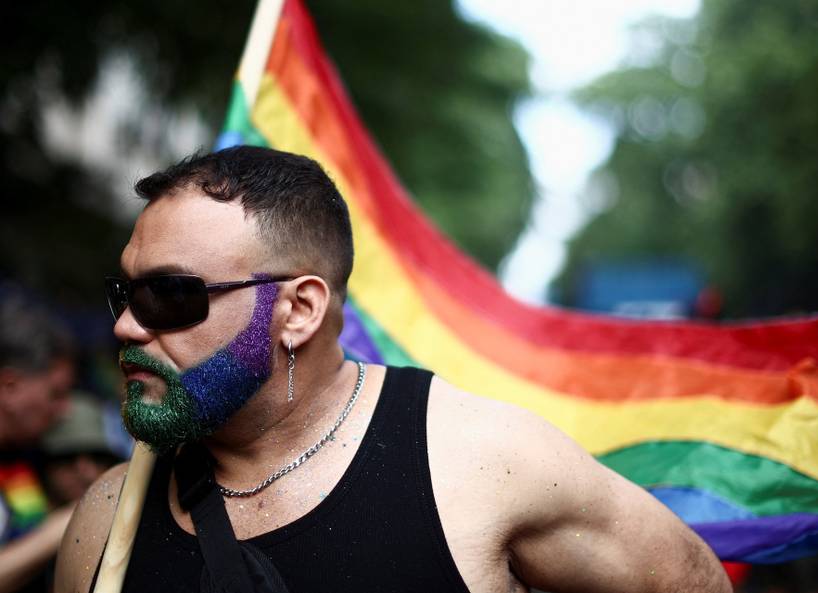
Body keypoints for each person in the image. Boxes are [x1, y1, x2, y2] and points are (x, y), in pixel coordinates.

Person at [56, 146, 731, 593]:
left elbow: (692, 580)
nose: (125, 326)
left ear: (298, 310)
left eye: (169, 296)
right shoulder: (108, 516)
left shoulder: (483, 462)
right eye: (125, 294)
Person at [0, 294, 76, 593]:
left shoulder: (21, 458)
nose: (65, 409)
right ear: (10, 386)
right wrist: (62, 526)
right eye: (55, 394)